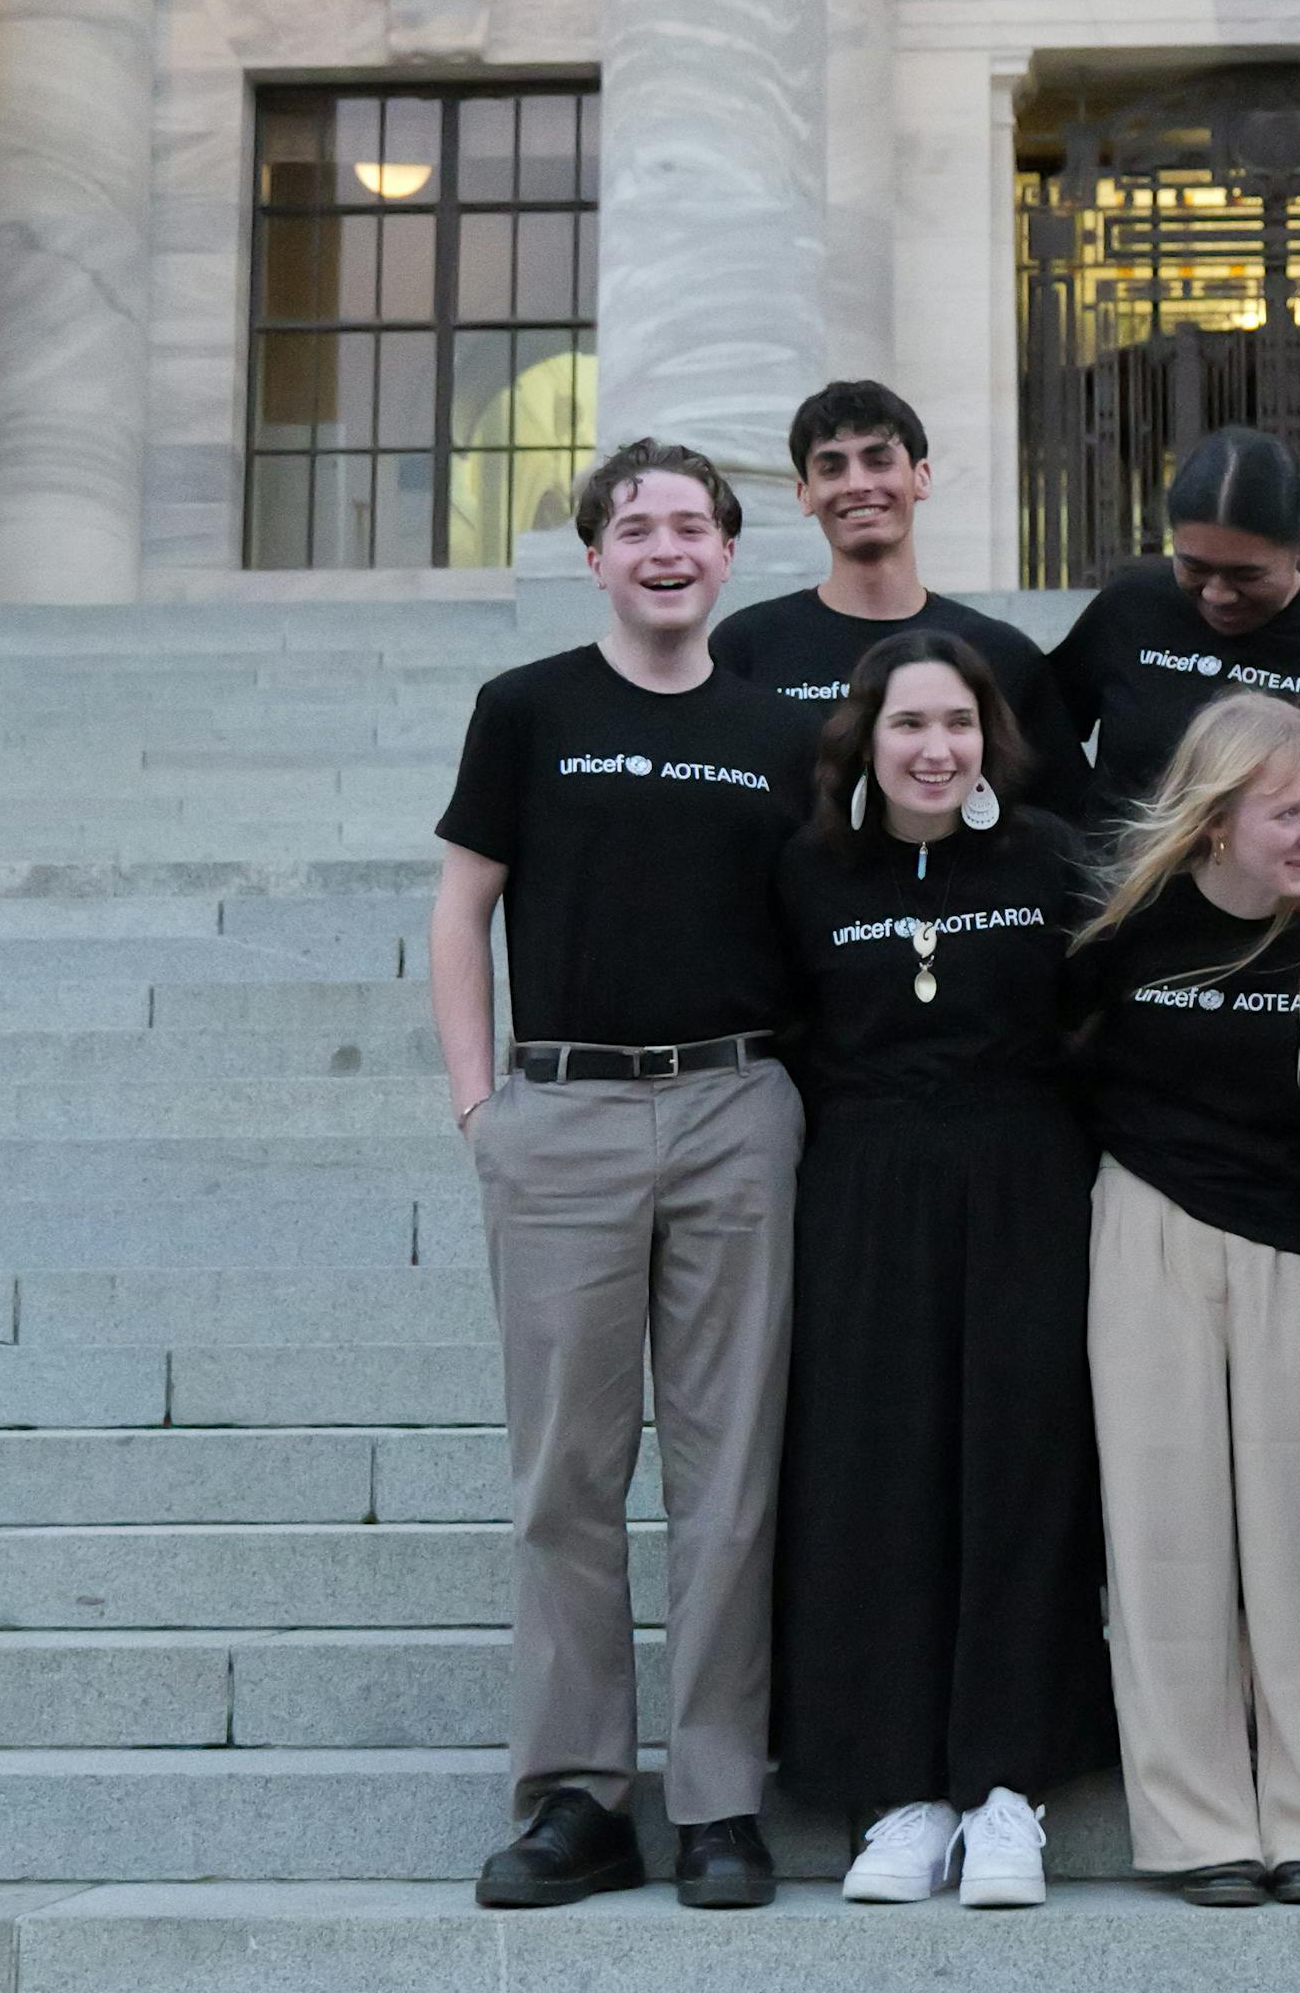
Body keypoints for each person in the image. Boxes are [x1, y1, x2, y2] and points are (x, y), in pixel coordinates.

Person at [427, 441, 811, 1912]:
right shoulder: (528, 710)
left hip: (732, 1105)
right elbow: (463, 910)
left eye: (691, 526)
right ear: (593, 556)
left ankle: (719, 1800)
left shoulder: (778, 731)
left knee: (729, 1479)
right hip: (567, 1113)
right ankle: (575, 1799)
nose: (664, 546)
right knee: (566, 1478)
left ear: (727, 554)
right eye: (633, 525)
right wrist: (481, 1106)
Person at [771, 632, 1115, 1909]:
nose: (936, 748)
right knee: (877, 1477)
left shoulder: (1048, 858)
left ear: (991, 739)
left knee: (1021, 1473)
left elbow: (1105, 1014)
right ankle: (898, 1794)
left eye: (959, 724)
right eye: (910, 725)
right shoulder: (808, 871)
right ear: (865, 739)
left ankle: (1009, 1791)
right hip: (861, 1196)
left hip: (1024, 1185)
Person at [1065, 692, 1300, 1910]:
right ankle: (1197, 1823)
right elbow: (1066, 1048)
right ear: (1216, 821)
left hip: (1296, 1238)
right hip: (1146, 1219)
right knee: (1165, 1529)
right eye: (1287, 813)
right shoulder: (1126, 927)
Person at [714, 379, 1087, 815]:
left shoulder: (1000, 653)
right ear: (804, 494)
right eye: (831, 468)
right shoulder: (746, 646)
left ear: (921, 477)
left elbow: (1065, 824)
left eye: (879, 462)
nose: (857, 484)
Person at [1047, 426, 1300, 845]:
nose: (1217, 594)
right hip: (1120, 901)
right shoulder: (1128, 610)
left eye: (1248, 575)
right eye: (1194, 568)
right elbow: (1040, 741)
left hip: (1285, 907)